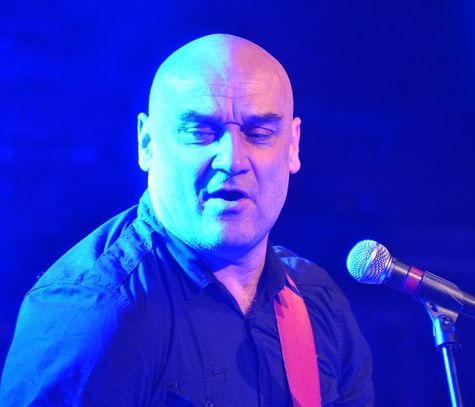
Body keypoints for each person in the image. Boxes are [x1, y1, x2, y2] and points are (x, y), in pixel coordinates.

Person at [0, 34, 374, 406]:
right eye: (199, 133)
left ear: (292, 146)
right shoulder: (95, 313)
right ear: (147, 144)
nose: (232, 160)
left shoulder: (317, 301)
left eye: (259, 134)